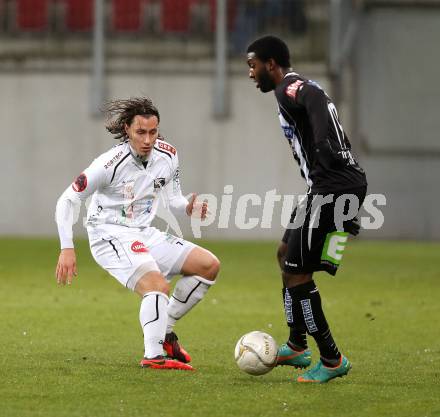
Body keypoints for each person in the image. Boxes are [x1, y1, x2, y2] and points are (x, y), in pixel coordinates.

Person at [55, 97, 220, 371]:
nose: (147, 139)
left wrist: (189, 206)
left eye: (152, 132)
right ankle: (153, 355)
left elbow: (174, 200)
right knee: (156, 286)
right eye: (140, 132)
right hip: (108, 234)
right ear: (127, 129)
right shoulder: (108, 164)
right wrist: (67, 247)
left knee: (208, 266)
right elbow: (67, 200)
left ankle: (164, 330)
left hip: (144, 232)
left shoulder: (168, 155)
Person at [246, 36, 367, 383]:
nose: (251, 74)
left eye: (253, 65)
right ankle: (297, 345)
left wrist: (326, 147)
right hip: (326, 187)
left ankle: (331, 358)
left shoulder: (290, 87)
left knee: (299, 273)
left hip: (334, 187)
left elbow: (314, 99)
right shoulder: (291, 88)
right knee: (286, 254)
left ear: (271, 64)